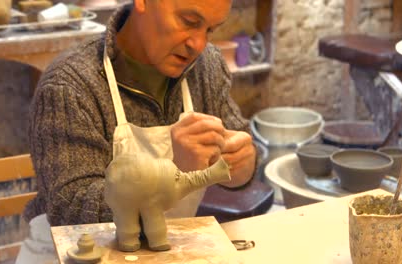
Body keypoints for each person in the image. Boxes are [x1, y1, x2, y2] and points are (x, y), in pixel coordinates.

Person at [16, 0, 256, 262]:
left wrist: (241, 165)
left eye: (210, 30)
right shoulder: (69, 85)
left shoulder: (206, 67)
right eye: (189, 22)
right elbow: (71, 212)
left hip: (162, 249)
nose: (197, 45)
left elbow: (238, 148)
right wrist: (172, 174)